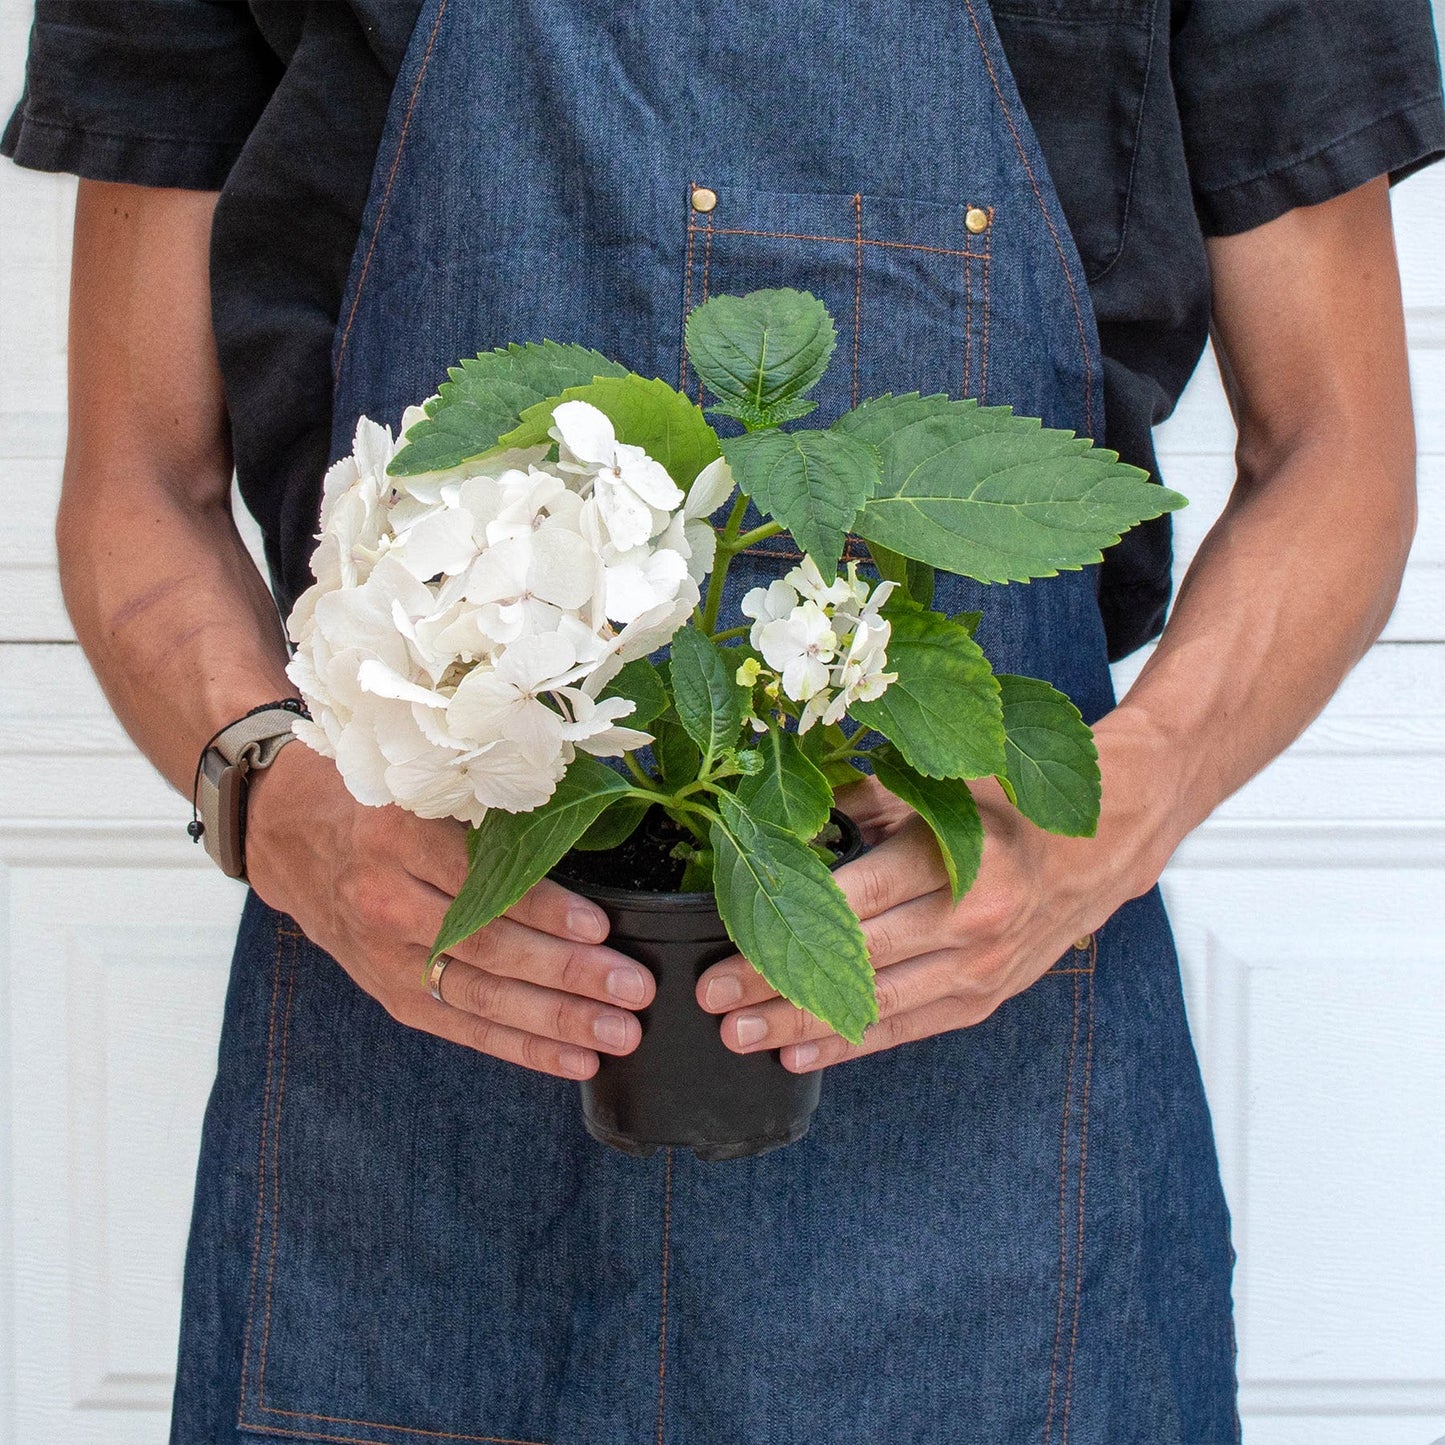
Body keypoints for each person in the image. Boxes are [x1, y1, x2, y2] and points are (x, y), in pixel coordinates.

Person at [5, 2, 1442, 1441]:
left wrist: (1107, 816)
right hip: (408, 1133)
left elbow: (1336, 448)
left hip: (992, 1134)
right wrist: (275, 799)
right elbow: (143, 478)